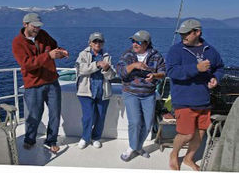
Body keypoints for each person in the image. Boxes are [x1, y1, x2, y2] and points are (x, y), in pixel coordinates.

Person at [166, 19, 224, 170]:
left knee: (200, 133)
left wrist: (215, 79)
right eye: (181, 33)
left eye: (186, 33)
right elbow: (172, 72)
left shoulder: (210, 50)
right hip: (183, 100)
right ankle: (174, 154)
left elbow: (219, 67)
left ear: (197, 32)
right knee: (186, 134)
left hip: (203, 100)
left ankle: (188, 158)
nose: (183, 36)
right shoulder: (175, 50)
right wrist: (196, 68)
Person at [12, 13, 69, 153]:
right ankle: (29, 139)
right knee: (34, 115)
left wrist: (61, 52)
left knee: (55, 113)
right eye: (34, 26)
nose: (37, 29)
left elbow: (54, 46)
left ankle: (51, 140)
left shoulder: (43, 34)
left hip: (52, 82)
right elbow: (27, 64)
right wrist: (48, 56)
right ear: (25, 24)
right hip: (33, 85)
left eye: (38, 26)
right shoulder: (17, 42)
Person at [116, 30, 165, 161]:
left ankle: (138, 146)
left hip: (148, 94)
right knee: (135, 122)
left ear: (146, 43)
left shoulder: (156, 56)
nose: (134, 44)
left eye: (137, 42)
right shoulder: (128, 54)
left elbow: (163, 73)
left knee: (148, 124)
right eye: (133, 41)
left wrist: (154, 76)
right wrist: (134, 65)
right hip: (131, 93)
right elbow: (120, 73)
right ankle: (131, 148)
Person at [75, 32, 116, 149]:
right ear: (90, 43)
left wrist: (107, 69)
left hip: (102, 92)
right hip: (86, 91)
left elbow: (111, 76)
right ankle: (85, 137)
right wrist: (97, 64)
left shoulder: (107, 56)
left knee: (101, 116)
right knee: (88, 116)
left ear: (103, 43)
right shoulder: (83, 54)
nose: (97, 43)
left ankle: (96, 137)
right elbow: (80, 69)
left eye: (100, 41)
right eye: (95, 41)